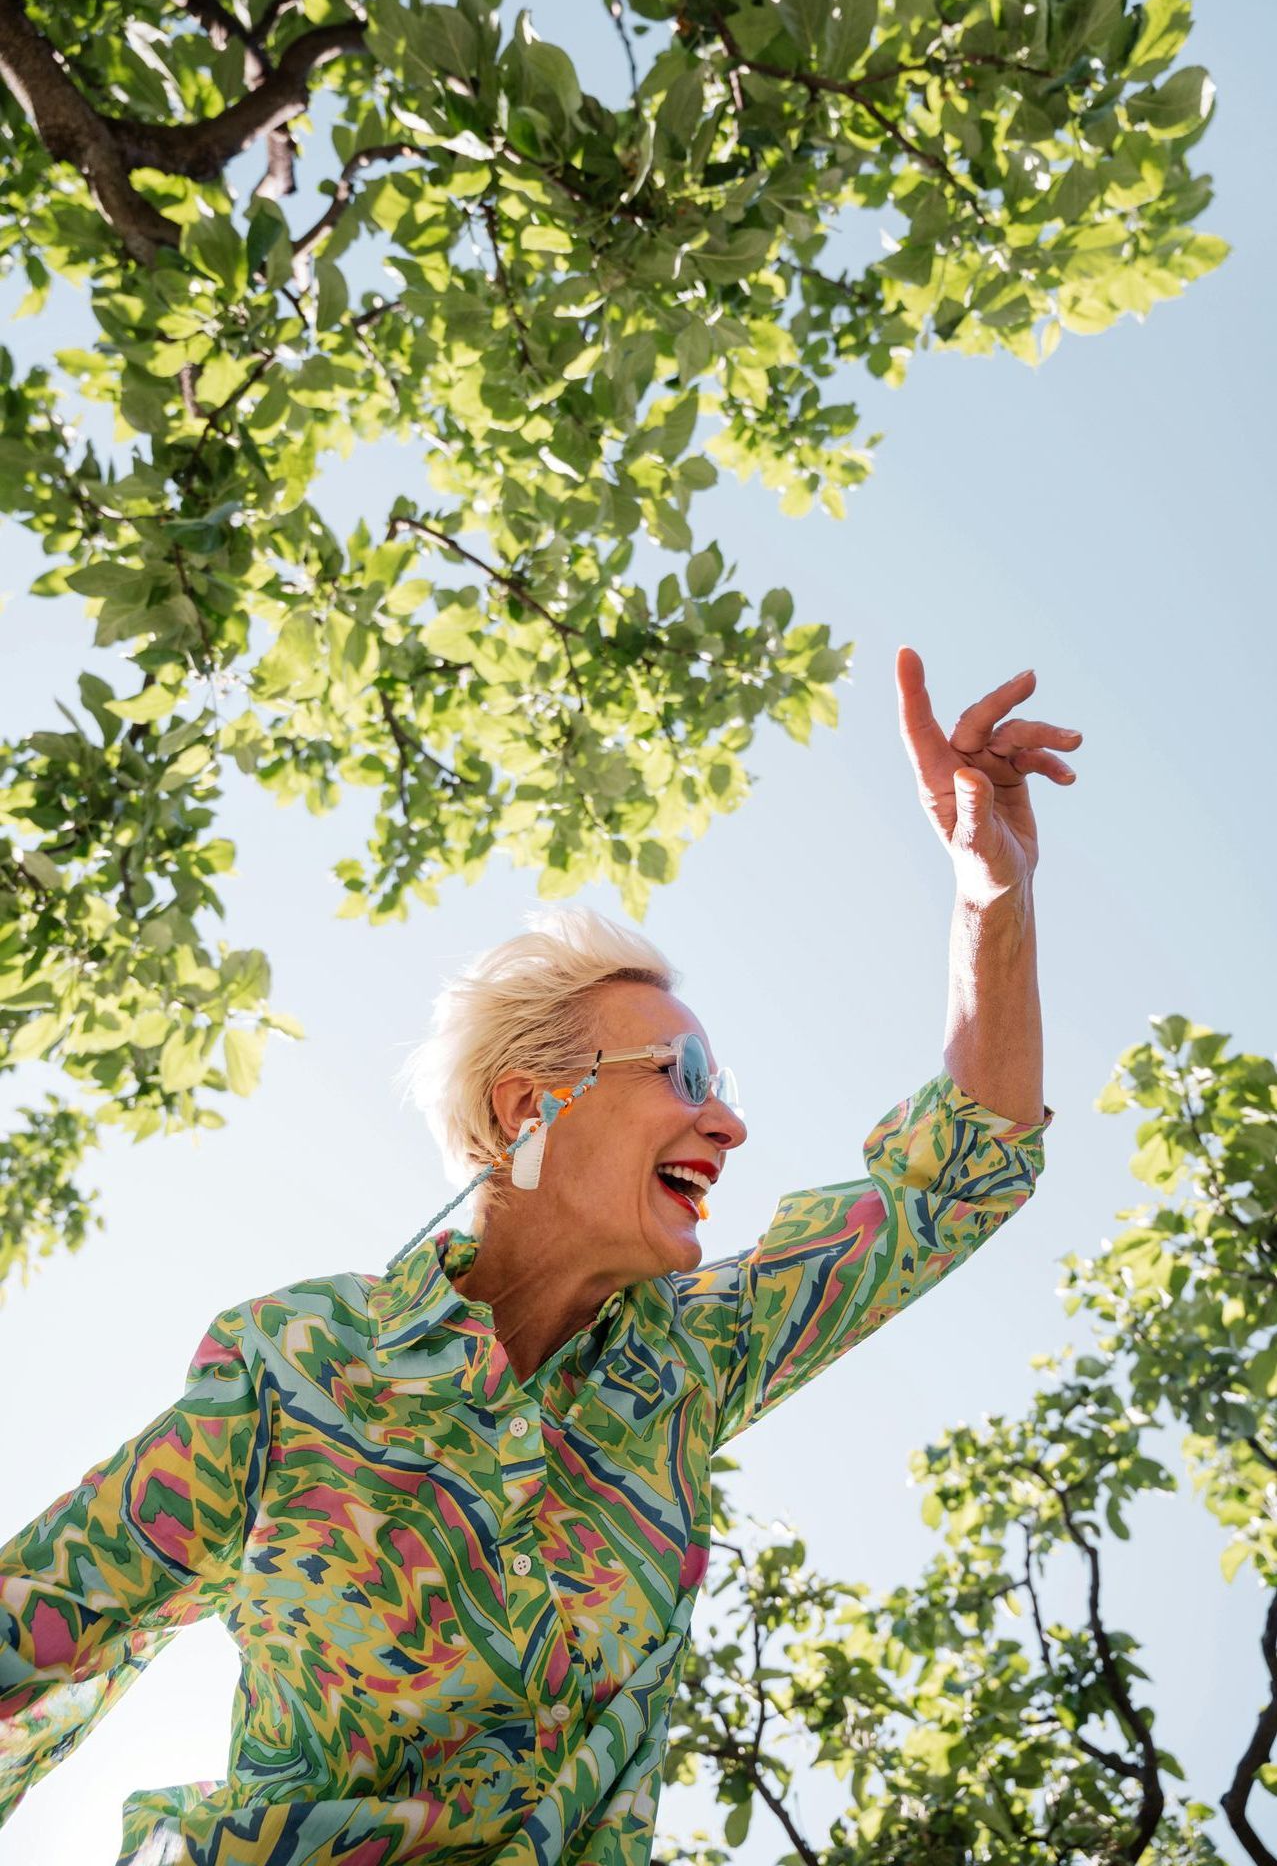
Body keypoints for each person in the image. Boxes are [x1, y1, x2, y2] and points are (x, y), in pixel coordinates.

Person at [0, 649, 1080, 1864]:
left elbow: (949, 1184)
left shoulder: (690, 1366)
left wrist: (994, 897)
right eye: (681, 1077)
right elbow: (37, 1631)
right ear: (528, 1109)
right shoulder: (299, 1365)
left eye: (722, 1086)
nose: (725, 1122)